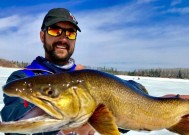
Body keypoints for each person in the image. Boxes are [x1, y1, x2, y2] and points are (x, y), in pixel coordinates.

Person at [1, 7, 189, 135]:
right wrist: (68, 126)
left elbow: (120, 120)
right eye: (54, 30)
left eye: (70, 33)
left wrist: (163, 104)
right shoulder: (24, 77)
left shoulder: (90, 78)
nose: (63, 38)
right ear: (42, 36)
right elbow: (13, 118)